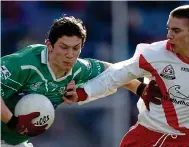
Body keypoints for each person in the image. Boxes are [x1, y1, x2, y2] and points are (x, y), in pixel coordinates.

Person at [74, 5, 189, 147]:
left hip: (185, 142)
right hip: (145, 138)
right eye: (168, 29)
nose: (169, 35)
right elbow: (116, 74)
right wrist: (84, 92)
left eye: (176, 31)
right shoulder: (154, 53)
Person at [1, 16, 157, 147]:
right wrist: (13, 121)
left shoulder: (78, 69)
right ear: (49, 45)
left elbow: (112, 72)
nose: (70, 55)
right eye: (63, 47)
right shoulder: (24, 63)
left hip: (14, 142)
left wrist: (140, 89)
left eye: (76, 48)